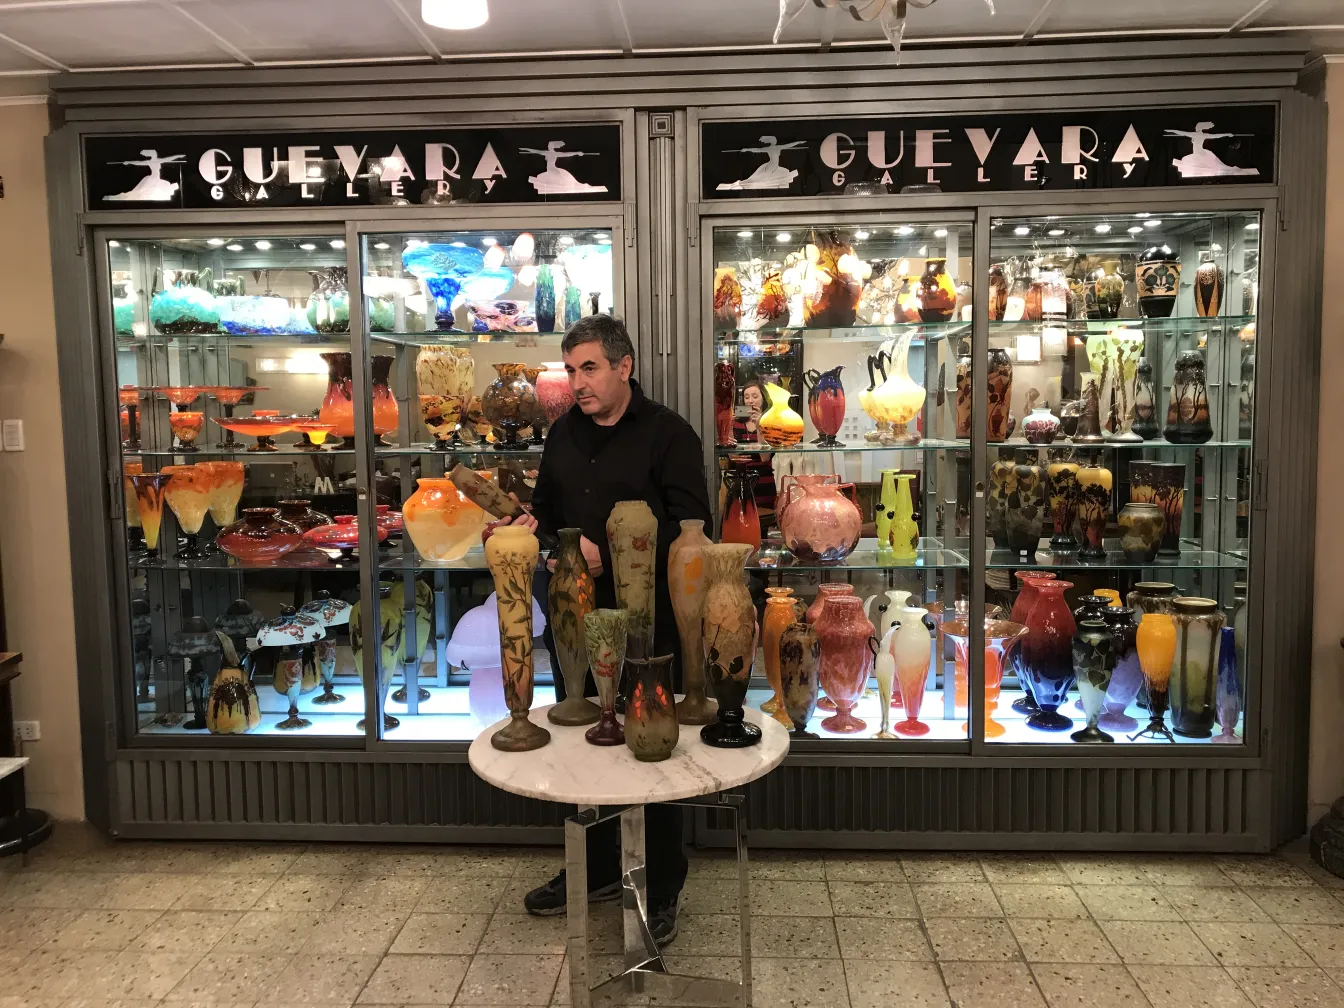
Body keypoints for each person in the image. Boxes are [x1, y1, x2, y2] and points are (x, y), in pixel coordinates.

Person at [509, 313, 712, 947]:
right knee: (580, 742)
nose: (577, 383)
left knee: (654, 746)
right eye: (570, 371)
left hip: (651, 626)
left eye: (589, 368)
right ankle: (596, 869)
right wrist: (534, 538)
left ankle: (664, 884)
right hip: (576, 620)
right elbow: (544, 513)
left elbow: (693, 531)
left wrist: (618, 554)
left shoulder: (668, 434)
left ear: (625, 367)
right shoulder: (562, 435)